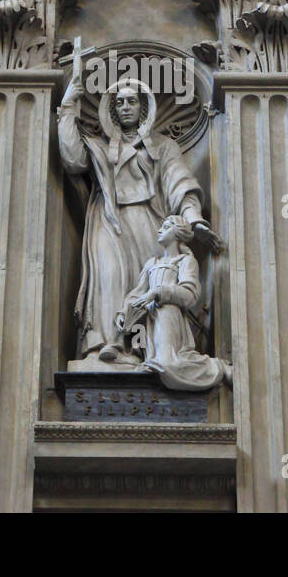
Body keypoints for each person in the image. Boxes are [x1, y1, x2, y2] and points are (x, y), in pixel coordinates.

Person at [58, 71, 218, 365]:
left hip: (150, 222)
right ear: (113, 109)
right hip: (108, 222)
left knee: (148, 284)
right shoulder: (101, 146)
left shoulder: (163, 147)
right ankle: (104, 347)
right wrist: (69, 105)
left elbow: (179, 182)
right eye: (120, 102)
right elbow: (71, 160)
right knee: (109, 279)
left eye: (133, 101)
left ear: (143, 107)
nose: (126, 107)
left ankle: (146, 352)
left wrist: (193, 220)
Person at [118, 215, 231, 391]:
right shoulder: (151, 263)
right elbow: (137, 293)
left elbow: (190, 294)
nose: (159, 230)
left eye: (166, 226)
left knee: (167, 364)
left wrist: (158, 292)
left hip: (167, 314)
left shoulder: (186, 261)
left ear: (178, 233)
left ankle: (217, 367)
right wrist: (124, 313)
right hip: (146, 321)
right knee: (148, 365)